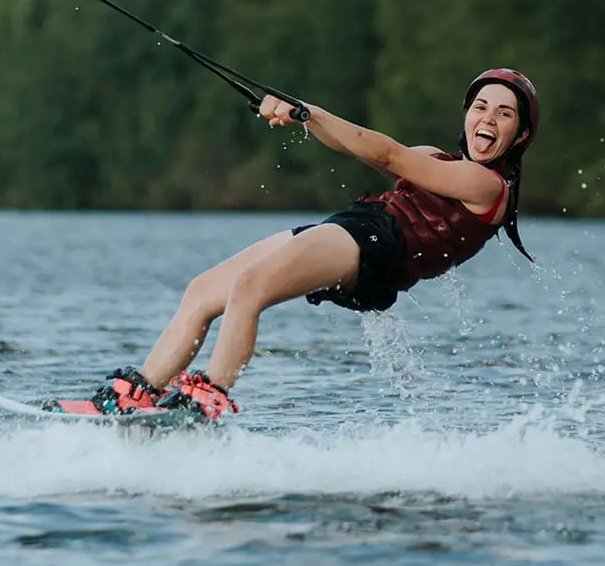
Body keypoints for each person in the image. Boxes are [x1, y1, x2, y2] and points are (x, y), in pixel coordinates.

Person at [47, 69, 539, 419]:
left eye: (504, 114)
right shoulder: (439, 159)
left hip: (377, 247)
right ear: (467, 114)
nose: (488, 120)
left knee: (251, 286)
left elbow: (386, 150)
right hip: (356, 228)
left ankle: (210, 398)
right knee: (202, 291)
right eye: (481, 107)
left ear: (519, 134)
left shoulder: (488, 188)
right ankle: (137, 396)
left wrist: (312, 112)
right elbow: (357, 144)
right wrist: (303, 114)